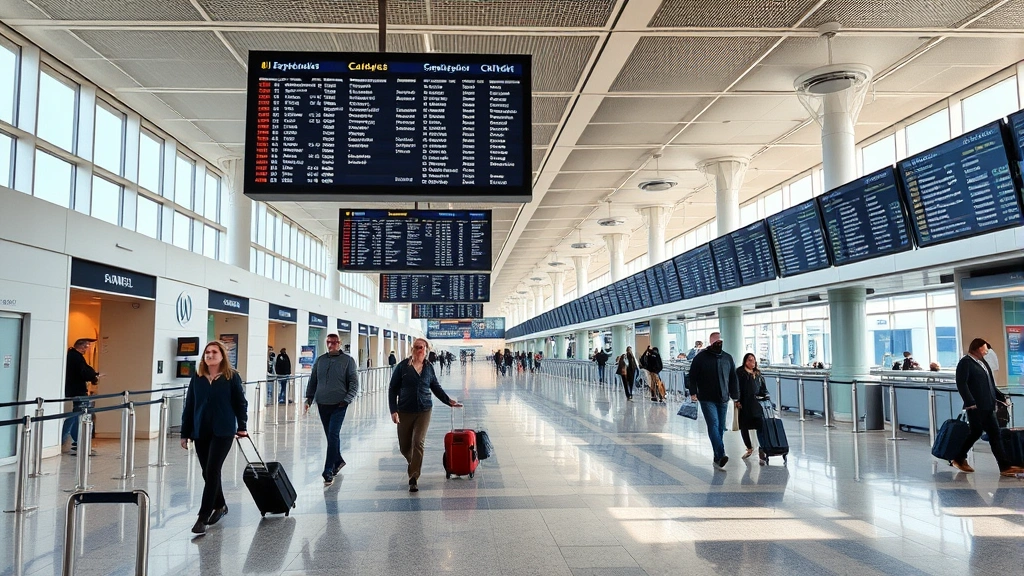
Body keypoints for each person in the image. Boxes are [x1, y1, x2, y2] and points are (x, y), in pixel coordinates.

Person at [180, 341, 248, 535]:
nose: (210, 355)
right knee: (207, 473)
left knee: (212, 470)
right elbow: (190, 406)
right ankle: (220, 505)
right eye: (207, 352)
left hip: (223, 431)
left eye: (214, 352)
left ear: (222, 355)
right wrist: (185, 433)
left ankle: (202, 517)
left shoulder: (231, 377)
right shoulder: (198, 377)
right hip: (201, 431)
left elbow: (240, 403)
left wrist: (242, 426)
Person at [388, 338, 462, 492]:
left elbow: (435, 386)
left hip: (424, 410)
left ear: (426, 350)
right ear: (412, 349)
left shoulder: (428, 368)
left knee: (418, 442)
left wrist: (448, 401)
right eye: (417, 347)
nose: (420, 350)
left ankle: (413, 477)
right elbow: (392, 389)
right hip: (405, 410)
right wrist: (393, 410)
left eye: (423, 348)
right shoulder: (402, 367)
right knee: (404, 447)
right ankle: (413, 462)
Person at [951, 338, 1024, 477]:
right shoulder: (966, 363)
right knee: (992, 433)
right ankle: (1004, 466)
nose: (987, 351)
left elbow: (990, 384)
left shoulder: (982, 363)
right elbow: (962, 383)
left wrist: (1001, 397)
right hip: (976, 406)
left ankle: (959, 458)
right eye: (985, 348)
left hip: (987, 405)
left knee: (980, 432)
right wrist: (969, 402)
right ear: (978, 348)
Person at [304, 332, 360, 486]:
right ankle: (338, 461)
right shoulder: (320, 360)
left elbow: (354, 382)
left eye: (334, 342)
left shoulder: (348, 361)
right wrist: (308, 398)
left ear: (339, 343)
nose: (331, 345)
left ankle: (328, 470)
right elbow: (313, 380)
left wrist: (347, 399)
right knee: (331, 436)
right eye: (328, 342)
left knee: (333, 434)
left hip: (339, 404)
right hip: (322, 403)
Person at [688, 332, 739, 469]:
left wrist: (736, 396)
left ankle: (717, 456)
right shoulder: (700, 358)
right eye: (716, 341)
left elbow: (733, 378)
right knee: (713, 424)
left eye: (720, 341)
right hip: (706, 398)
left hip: (723, 398)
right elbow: (692, 376)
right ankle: (721, 454)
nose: (719, 343)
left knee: (721, 427)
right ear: (711, 342)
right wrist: (693, 392)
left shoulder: (727, 358)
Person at [62, 338, 101, 456]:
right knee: (78, 416)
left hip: (73, 390)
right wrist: (94, 376)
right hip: (77, 391)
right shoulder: (76, 357)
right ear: (82, 346)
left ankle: (72, 442)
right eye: (86, 346)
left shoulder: (72, 356)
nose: (87, 349)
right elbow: (85, 372)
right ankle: (76, 443)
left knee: (75, 416)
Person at [735, 353, 769, 461]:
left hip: (757, 403)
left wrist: (766, 396)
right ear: (745, 361)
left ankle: (762, 448)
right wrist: (737, 400)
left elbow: (763, 387)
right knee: (744, 426)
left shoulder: (758, 373)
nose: (752, 362)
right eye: (749, 360)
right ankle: (749, 448)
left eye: (753, 360)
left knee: (760, 425)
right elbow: (737, 387)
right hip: (744, 403)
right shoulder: (740, 372)